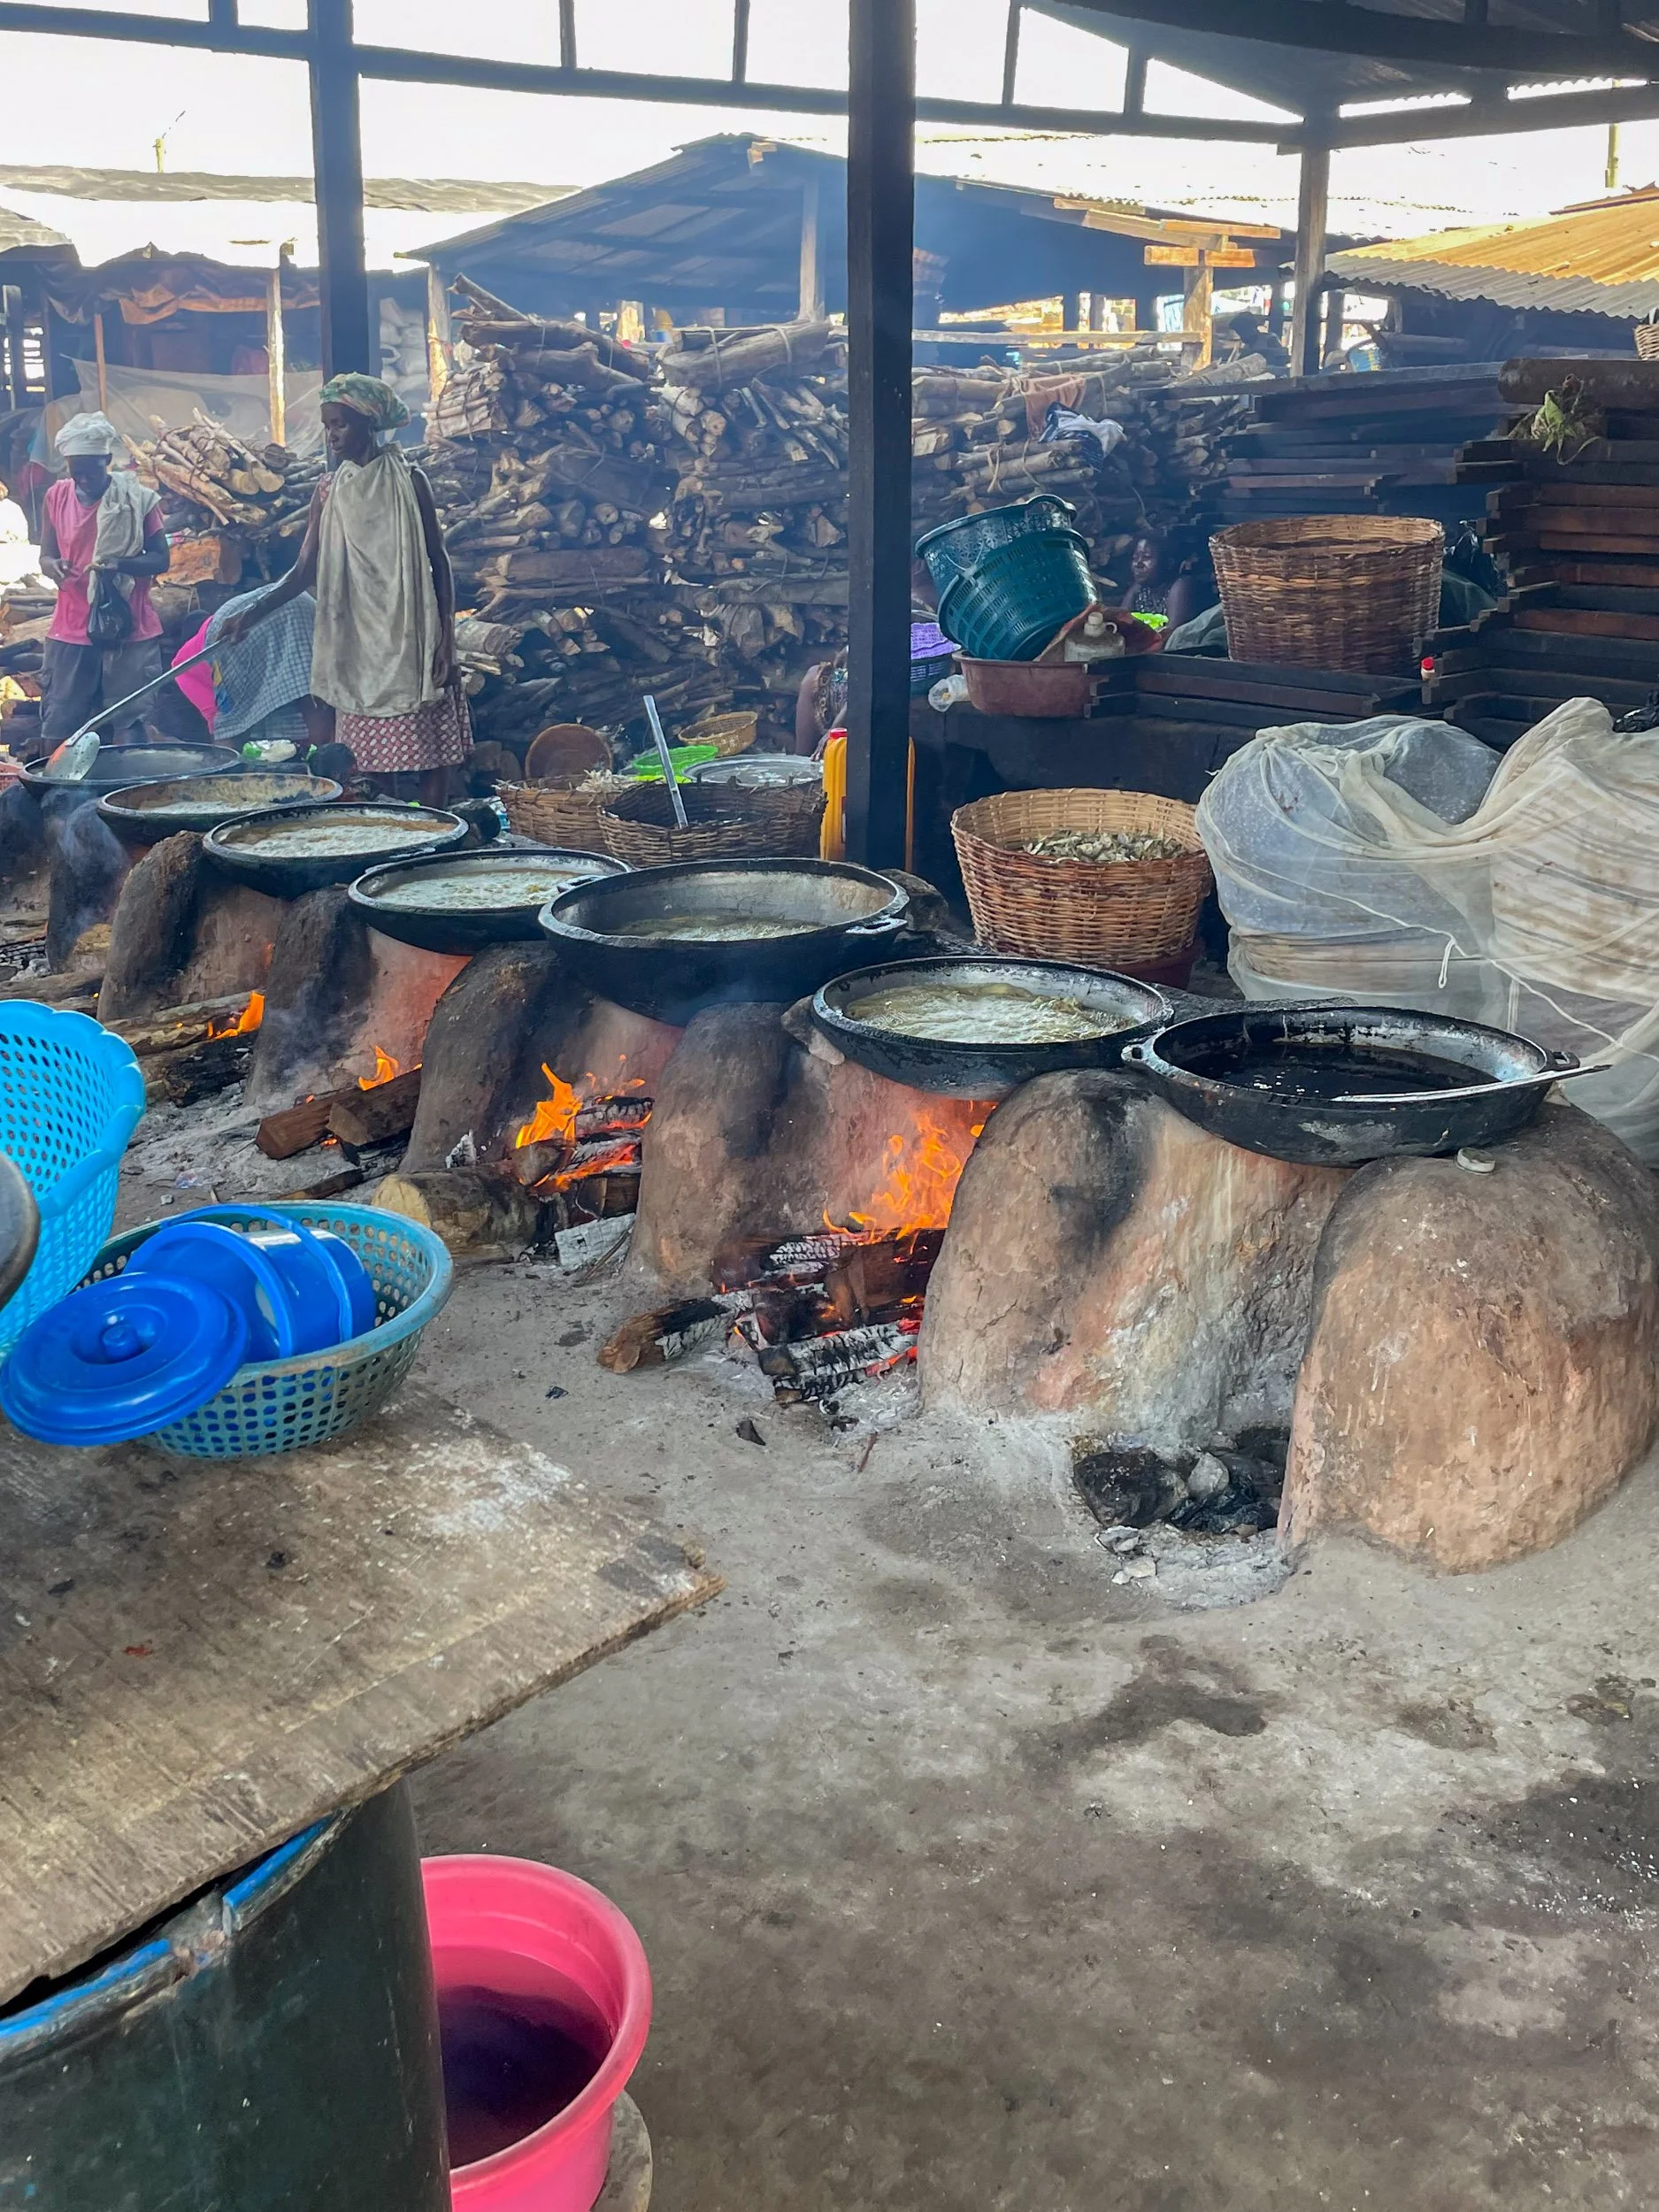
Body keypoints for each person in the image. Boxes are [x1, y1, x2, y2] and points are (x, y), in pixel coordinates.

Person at [225, 374, 467, 804]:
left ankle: (436, 837)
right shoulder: (329, 490)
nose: (331, 436)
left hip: (413, 636)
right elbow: (304, 570)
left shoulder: (410, 481)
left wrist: (446, 640)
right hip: (359, 646)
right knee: (371, 766)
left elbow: (439, 561)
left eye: (340, 424)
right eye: (327, 426)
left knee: (431, 757)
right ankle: (388, 835)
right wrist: (252, 613)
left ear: (369, 423)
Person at [37, 412, 170, 750]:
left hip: (129, 627)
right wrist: (54, 567)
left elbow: (161, 559)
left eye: (92, 470)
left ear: (108, 460)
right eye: (76, 471)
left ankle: (125, 779)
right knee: (60, 722)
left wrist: (121, 565)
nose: (83, 479)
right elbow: (46, 555)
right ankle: (52, 782)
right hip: (71, 628)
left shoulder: (138, 500)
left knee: (129, 723)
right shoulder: (56, 497)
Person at [171, 587, 333, 756]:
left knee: (229, 726)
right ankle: (324, 756)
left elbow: (223, 728)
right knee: (312, 692)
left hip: (236, 629)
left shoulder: (184, 670)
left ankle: (320, 757)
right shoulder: (200, 643)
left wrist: (226, 765)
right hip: (295, 598)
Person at [1119, 530, 1202, 629]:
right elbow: (1120, 620)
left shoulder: (1181, 585)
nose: (1138, 564)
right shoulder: (1138, 587)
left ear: (1168, 563)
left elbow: (1172, 633)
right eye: (1135, 558)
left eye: (1146, 557)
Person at [1220, 312, 1291, 377]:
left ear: (1253, 328)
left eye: (1244, 332)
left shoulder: (1270, 339)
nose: (1242, 336)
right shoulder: (1246, 347)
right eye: (1239, 333)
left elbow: (1281, 362)